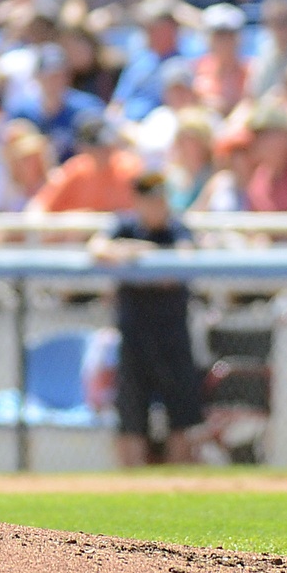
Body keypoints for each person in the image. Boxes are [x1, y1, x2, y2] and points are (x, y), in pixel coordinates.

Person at [91, 172, 206, 465]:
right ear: (138, 201)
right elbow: (98, 248)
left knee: (182, 418)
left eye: (160, 199)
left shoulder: (177, 228)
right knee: (130, 418)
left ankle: (179, 489)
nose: (156, 206)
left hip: (172, 337)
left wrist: (141, 260)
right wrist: (135, 254)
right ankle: (130, 490)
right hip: (134, 337)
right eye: (149, 200)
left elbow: (183, 261)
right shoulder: (125, 226)